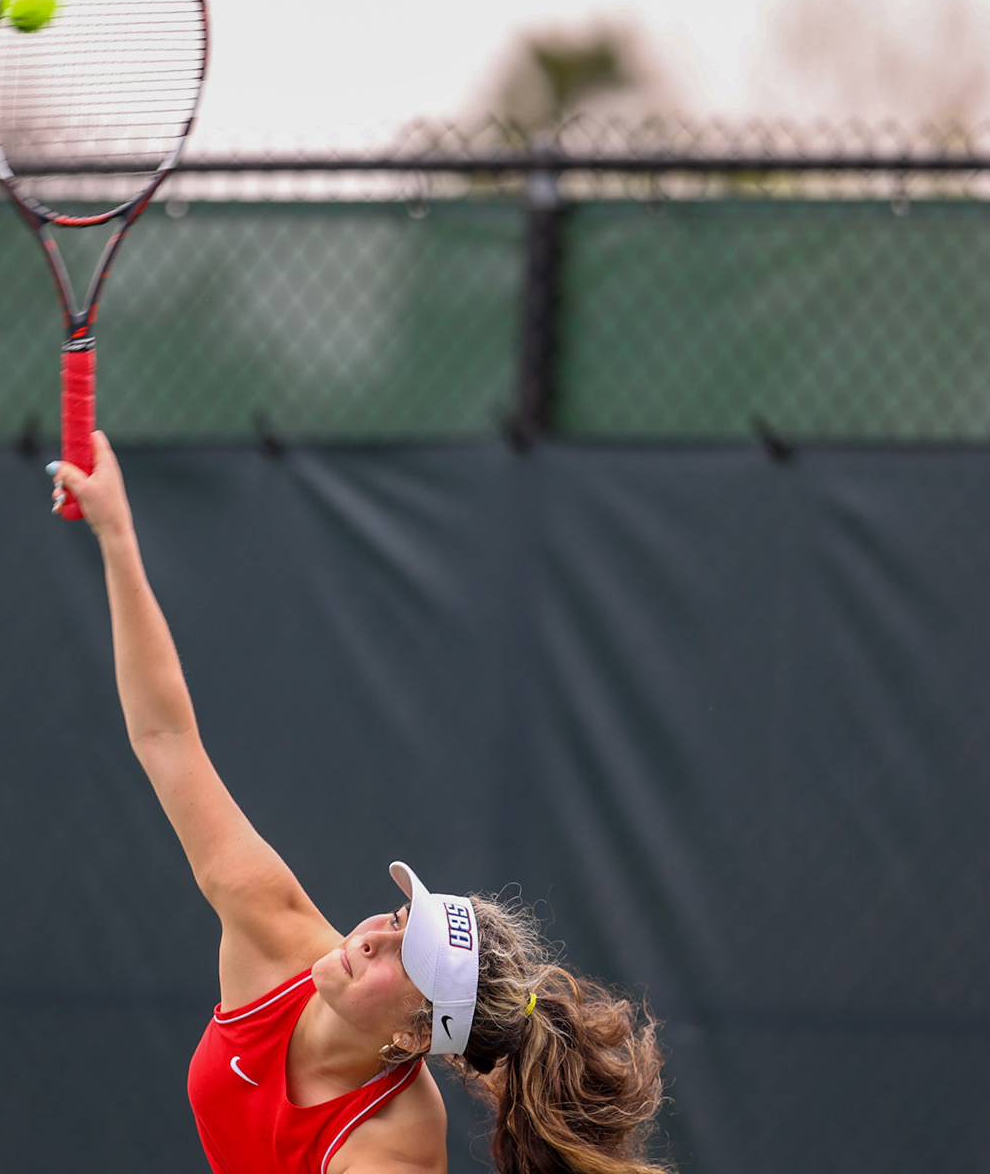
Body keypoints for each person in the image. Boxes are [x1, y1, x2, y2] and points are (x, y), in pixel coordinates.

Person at [52, 433, 669, 1174]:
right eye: (400, 919)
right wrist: (117, 532)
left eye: (402, 955)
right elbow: (165, 736)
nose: (373, 934)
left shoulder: (391, 1148)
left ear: (411, 1038)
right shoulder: (274, 927)